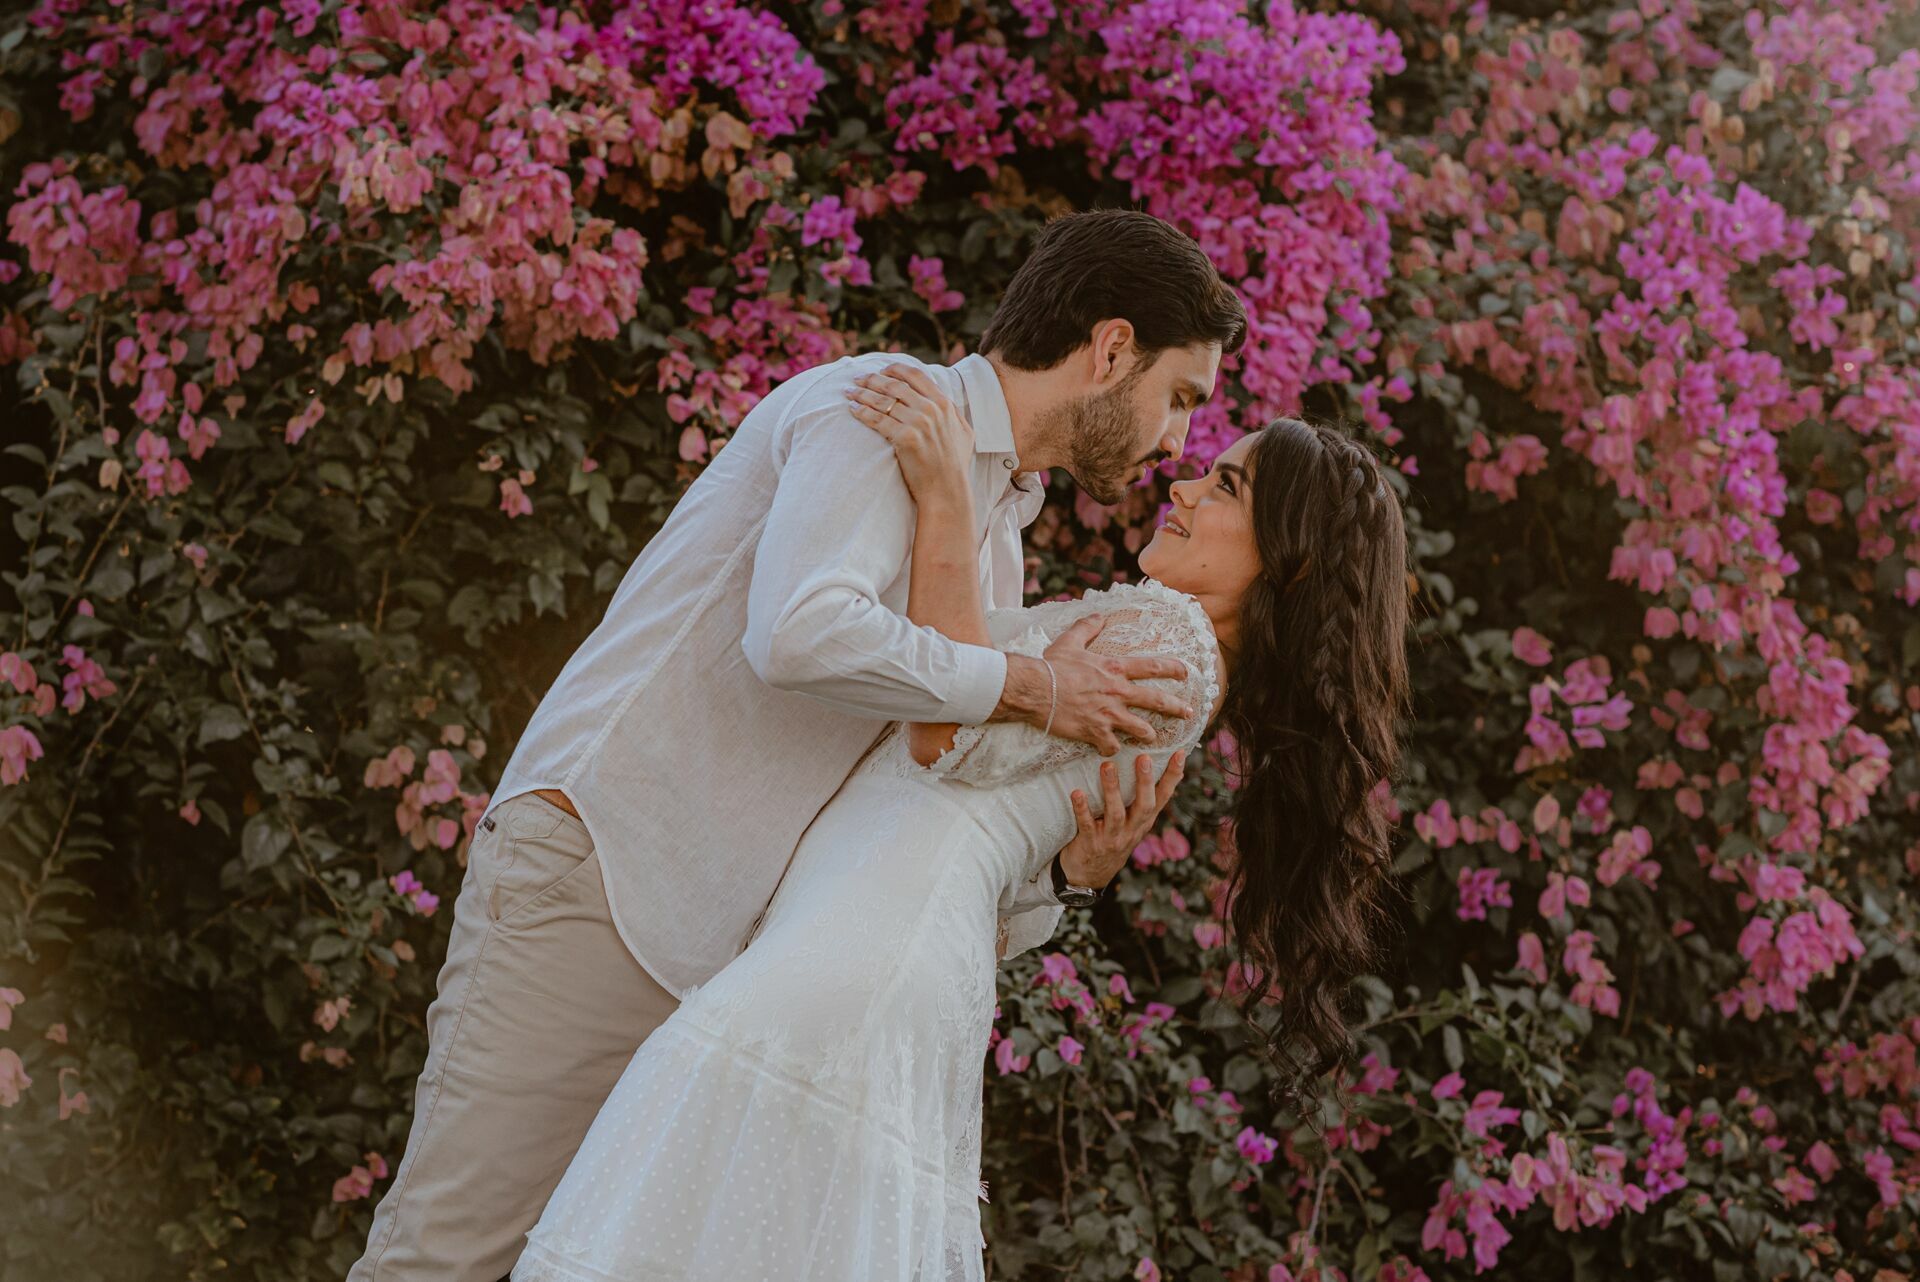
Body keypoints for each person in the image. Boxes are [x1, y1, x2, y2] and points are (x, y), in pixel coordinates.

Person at [347, 209, 1250, 1282]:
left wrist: (1067, 872)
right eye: (1180, 396)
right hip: (607, 879)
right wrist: (1036, 684)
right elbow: (799, 630)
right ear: (1110, 350)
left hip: (727, 957)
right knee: (443, 1261)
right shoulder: (881, 409)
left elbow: (920, 800)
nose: (1178, 440)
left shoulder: (994, 531)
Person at [511, 365, 1412, 1282]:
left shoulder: (1169, 642)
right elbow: (986, 799)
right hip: (879, 941)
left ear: (1290, 556)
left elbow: (943, 735)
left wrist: (944, 493)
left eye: (1227, 485)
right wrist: (1068, 878)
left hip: (864, 950)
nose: (1182, 483)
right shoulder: (1170, 641)